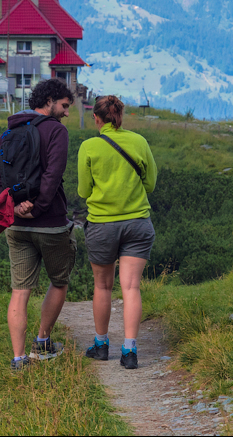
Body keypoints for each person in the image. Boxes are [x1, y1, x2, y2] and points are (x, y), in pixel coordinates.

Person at [0, 78, 76, 372]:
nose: (66, 113)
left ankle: (18, 359)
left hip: (16, 226)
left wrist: (15, 207)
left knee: (19, 292)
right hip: (50, 223)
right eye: (64, 106)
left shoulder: (9, 132)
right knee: (59, 281)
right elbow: (52, 177)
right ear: (50, 100)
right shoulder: (57, 132)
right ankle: (43, 342)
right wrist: (37, 208)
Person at [78, 95, 158, 370]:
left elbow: (83, 191)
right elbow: (150, 183)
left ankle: (101, 346)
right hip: (137, 223)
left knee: (103, 286)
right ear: (121, 117)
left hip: (101, 224)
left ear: (97, 119)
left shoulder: (88, 147)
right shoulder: (140, 142)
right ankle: (130, 350)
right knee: (131, 287)